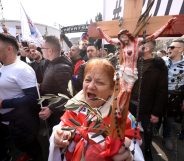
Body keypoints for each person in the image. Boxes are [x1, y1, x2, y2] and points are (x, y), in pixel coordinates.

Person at [49, 58, 144, 161]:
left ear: (112, 90)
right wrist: (58, 137)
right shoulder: (75, 107)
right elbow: (61, 128)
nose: (91, 86)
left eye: (100, 82)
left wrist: (128, 154)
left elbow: (134, 151)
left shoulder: (122, 117)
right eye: (88, 80)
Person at [0, 33, 42, 161]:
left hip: (21, 125)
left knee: (32, 153)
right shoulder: (4, 67)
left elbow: (33, 98)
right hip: (6, 123)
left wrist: (3, 104)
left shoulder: (22, 69)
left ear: (9, 48)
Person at [129, 40, 168, 161]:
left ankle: (147, 150)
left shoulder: (159, 66)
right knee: (130, 128)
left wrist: (156, 113)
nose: (135, 48)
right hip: (131, 105)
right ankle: (131, 150)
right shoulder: (133, 63)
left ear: (145, 48)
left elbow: (162, 90)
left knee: (147, 130)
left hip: (148, 107)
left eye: (139, 46)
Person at [162, 39, 184, 149]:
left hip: (175, 96)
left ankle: (167, 137)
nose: (169, 49)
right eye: (169, 47)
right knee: (155, 116)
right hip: (159, 95)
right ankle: (154, 131)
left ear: (180, 49)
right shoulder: (161, 60)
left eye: (172, 47)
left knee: (169, 118)